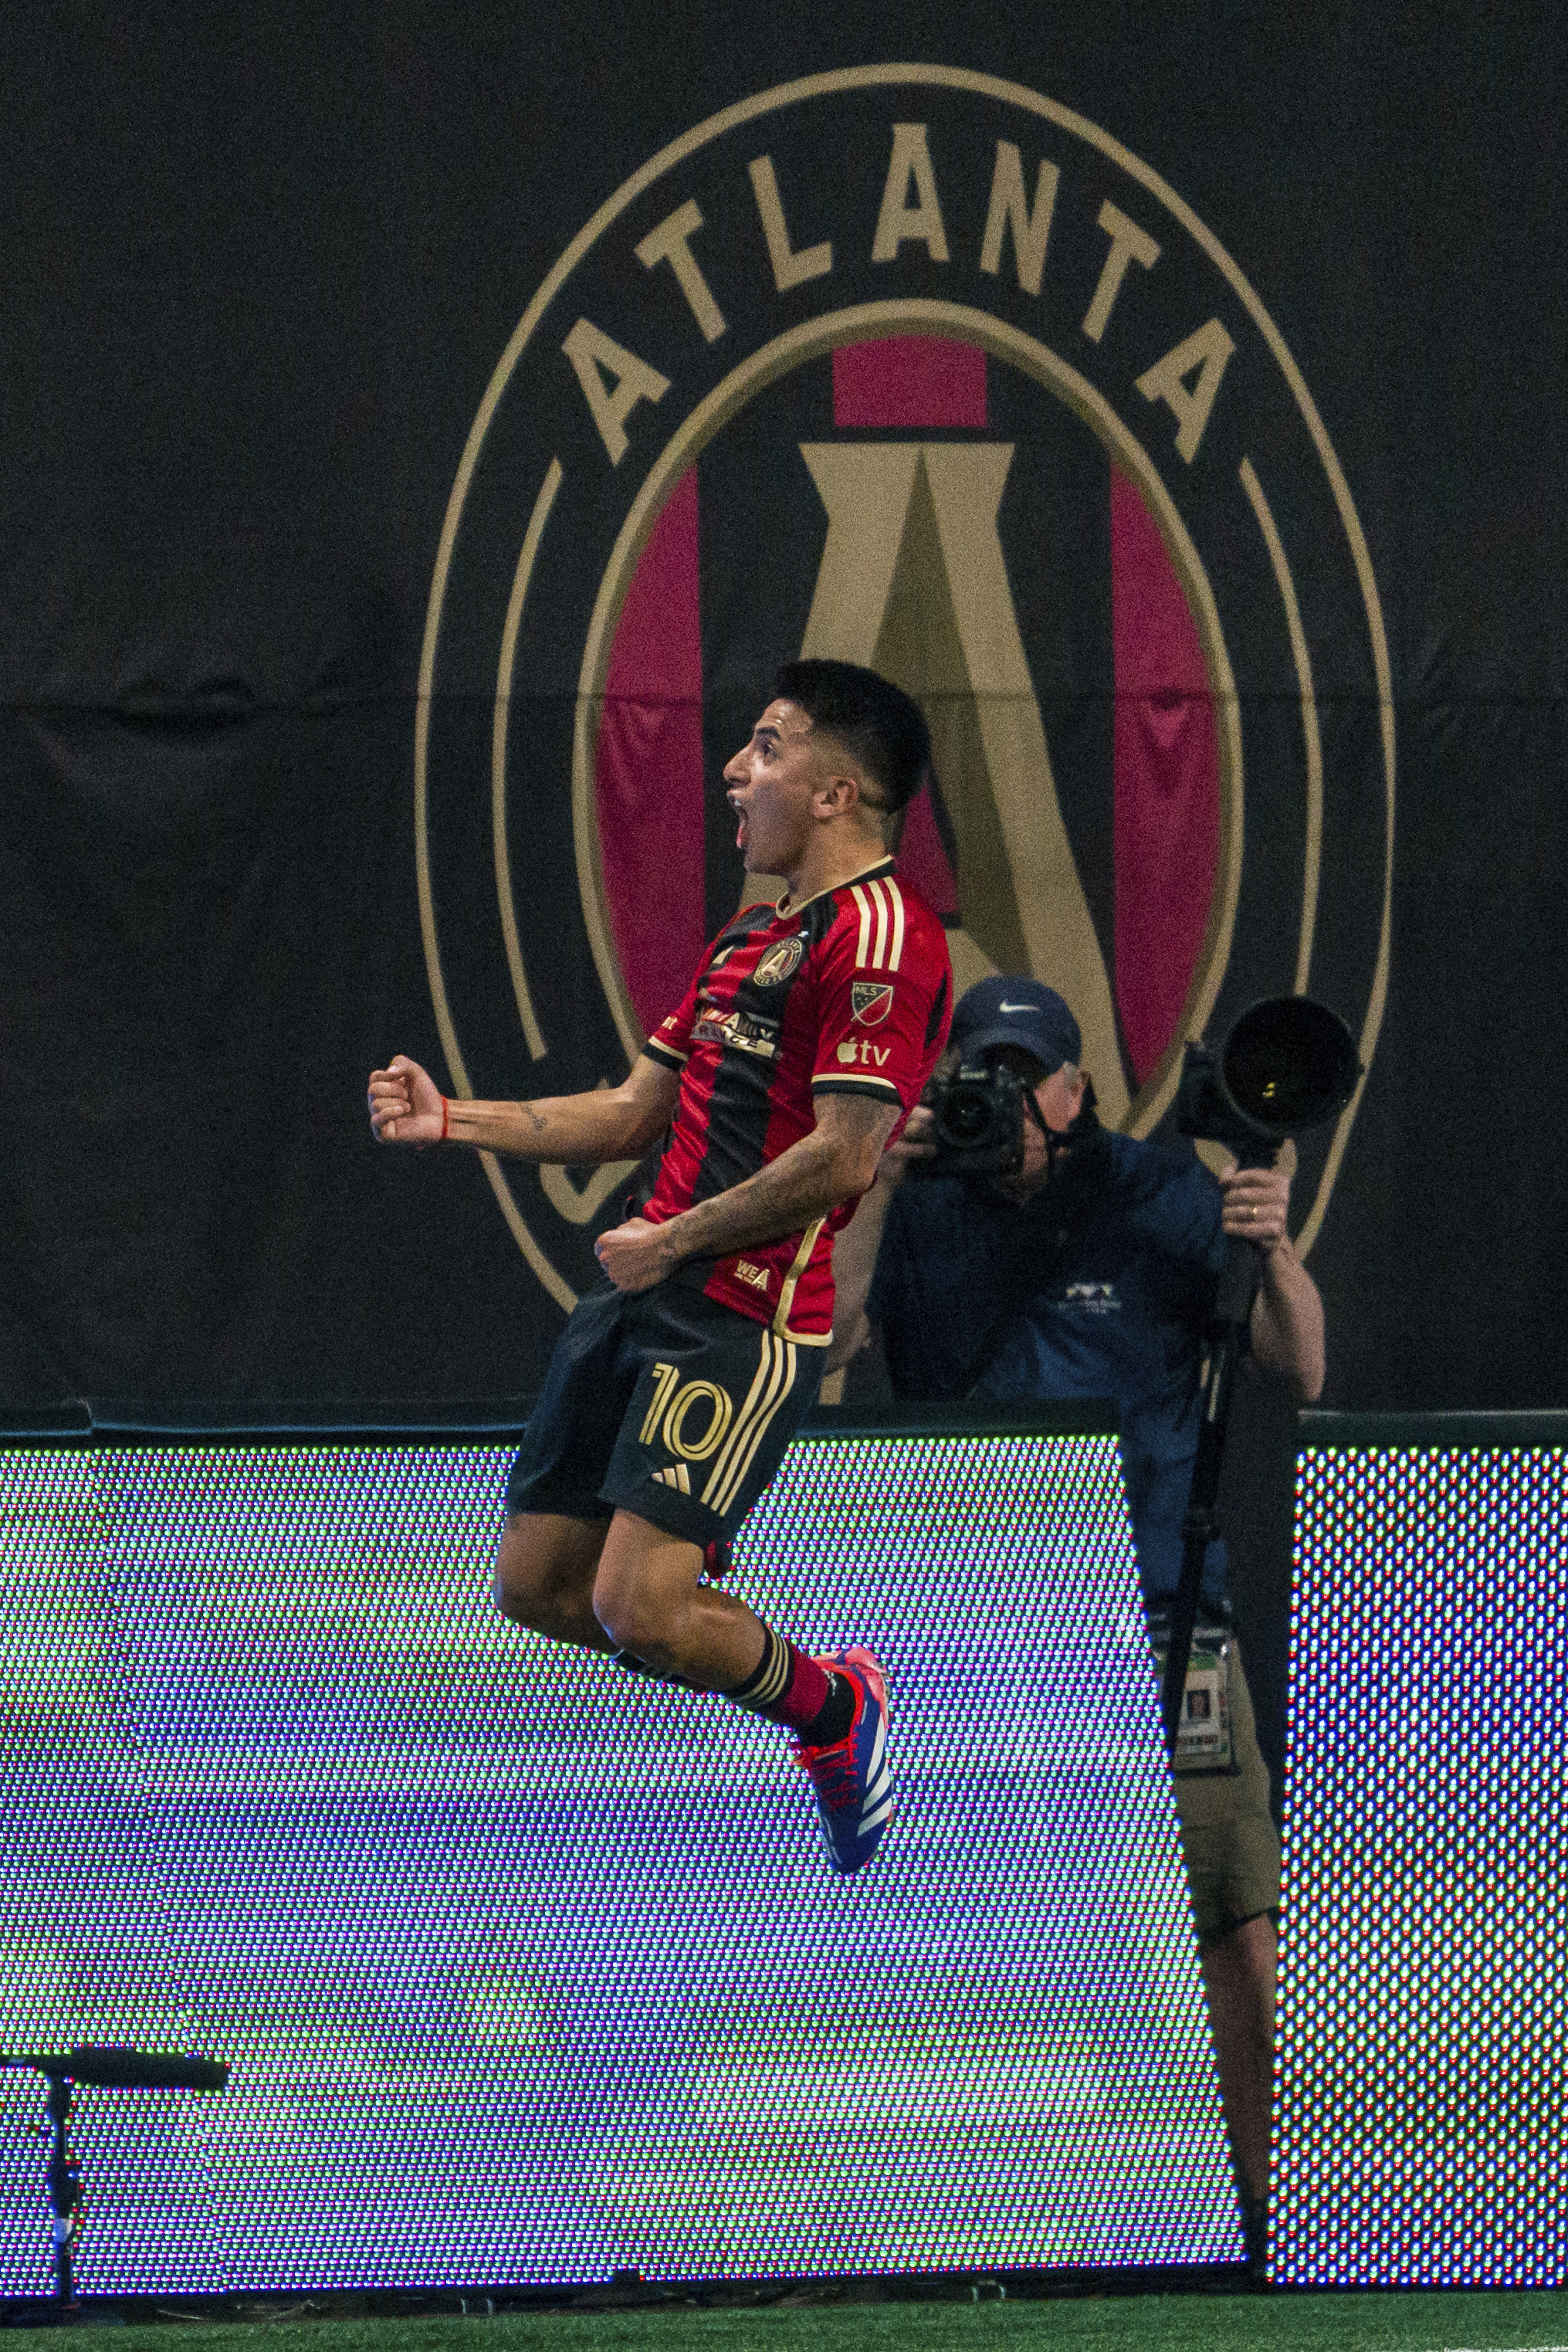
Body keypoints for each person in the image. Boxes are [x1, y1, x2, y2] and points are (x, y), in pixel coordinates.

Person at [368, 659, 952, 1876]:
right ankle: (725, 1619)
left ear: (840, 790)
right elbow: (637, 1109)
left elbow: (846, 1157)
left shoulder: (887, 937)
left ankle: (834, 1711)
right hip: (642, 1292)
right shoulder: (749, 936)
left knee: (640, 1607)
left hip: (738, 1319)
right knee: (535, 1586)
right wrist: (452, 1120)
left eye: (768, 747)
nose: (737, 772)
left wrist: (679, 1236)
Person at [826, 973, 1324, 2238]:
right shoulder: (922, 1204)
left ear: (1075, 1088)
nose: (1002, 1096)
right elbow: (828, 1340)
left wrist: (1268, 1242)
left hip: (1163, 1611)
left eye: (1023, 1073)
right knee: (995, 1953)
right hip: (984, 1627)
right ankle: (1029, 2227)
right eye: (977, 1069)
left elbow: (1302, 1362)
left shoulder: (1158, 1192)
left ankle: (1281, 2225)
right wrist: (877, 1178)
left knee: (1235, 1925)